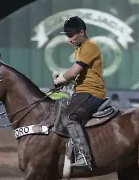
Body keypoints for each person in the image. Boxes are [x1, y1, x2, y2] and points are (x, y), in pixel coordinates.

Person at [52, 16, 106, 170]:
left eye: (71, 35)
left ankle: (84, 157)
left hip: (91, 92)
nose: (69, 39)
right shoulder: (80, 49)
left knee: (69, 117)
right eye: (67, 35)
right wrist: (62, 81)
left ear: (81, 32)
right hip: (82, 92)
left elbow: (74, 71)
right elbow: (76, 75)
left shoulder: (90, 46)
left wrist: (60, 79)